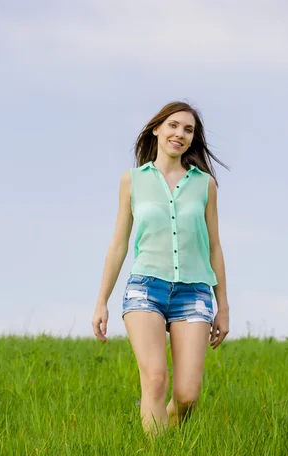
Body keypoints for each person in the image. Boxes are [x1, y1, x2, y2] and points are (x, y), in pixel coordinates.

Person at [92, 100, 230, 436]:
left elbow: (214, 245)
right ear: (156, 128)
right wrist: (101, 301)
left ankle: (165, 433)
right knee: (154, 379)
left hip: (194, 292)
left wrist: (222, 307)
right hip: (145, 289)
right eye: (173, 126)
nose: (179, 134)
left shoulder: (205, 185)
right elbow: (119, 244)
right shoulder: (133, 180)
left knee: (187, 395)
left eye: (188, 130)